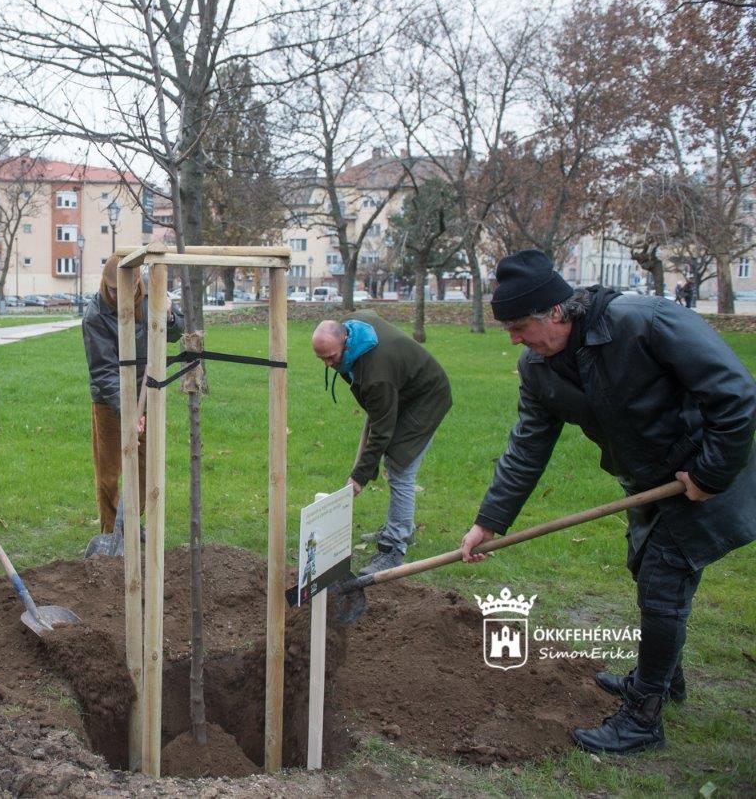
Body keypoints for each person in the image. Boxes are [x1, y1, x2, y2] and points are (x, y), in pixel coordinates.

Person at [459, 250, 756, 755]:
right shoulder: (539, 367)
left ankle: (643, 718)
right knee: (647, 570)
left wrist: (709, 472)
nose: (513, 338)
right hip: (646, 480)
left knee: (664, 584)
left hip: (703, 473)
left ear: (556, 311)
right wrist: (490, 521)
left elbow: (735, 393)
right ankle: (662, 679)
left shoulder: (643, 322)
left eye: (519, 325)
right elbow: (528, 444)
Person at [311, 311, 451, 575]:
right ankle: (398, 527)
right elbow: (378, 414)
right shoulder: (354, 324)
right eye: (322, 359)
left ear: (346, 341)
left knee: (400, 468)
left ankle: (395, 546)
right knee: (392, 460)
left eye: (331, 357)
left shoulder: (377, 375)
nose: (329, 364)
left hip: (426, 398)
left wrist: (360, 476)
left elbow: (381, 433)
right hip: (399, 391)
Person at [81, 254, 180, 536]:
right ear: (106, 284)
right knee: (110, 473)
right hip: (109, 401)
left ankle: (130, 525)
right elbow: (103, 371)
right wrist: (127, 412)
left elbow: (174, 333)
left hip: (148, 395)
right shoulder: (95, 315)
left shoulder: (151, 294)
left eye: (128, 288)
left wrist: (170, 316)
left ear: (138, 282)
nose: (120, 295)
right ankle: (111, 531)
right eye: (113, 290)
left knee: (146, 468)